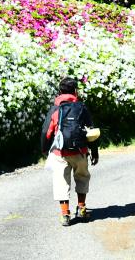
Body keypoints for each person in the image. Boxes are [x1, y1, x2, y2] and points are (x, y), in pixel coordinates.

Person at [40, 76, 98, 226]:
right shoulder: (82, 107)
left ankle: (65, 214)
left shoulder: (56, 109)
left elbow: (47, 132)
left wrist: (45, 149)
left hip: (61, 153)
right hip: (80, 151)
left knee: (61, 181)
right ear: (75, 91)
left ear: (59, 92)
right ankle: (81, 208)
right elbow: (91, 131)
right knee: (82, 177)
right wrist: (94, 152)